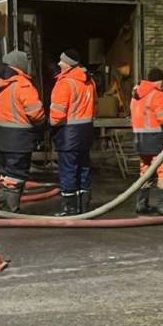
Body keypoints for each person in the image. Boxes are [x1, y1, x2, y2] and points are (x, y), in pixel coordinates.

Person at [0, 50, 46, 212]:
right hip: (20, 137)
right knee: (17, 173)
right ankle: (12, 209)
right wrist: (43, 124)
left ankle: (7, 204)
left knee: (8, 172)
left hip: (1, 134)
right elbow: (36, 113)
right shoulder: (22, 84)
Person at [50, 49, 97, 216]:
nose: (58, 64)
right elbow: (94, 106)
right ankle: (84, 207)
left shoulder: (64, 83)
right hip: (86, 132)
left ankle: (69, 208)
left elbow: (57, 115)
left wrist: (50, 125)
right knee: (83, 168)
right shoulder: (89, 82)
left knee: (68, 170)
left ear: (68, 64)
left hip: (68, 133)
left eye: (61, 61)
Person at [131, 68, 163, 216]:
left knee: (145, 171)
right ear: (159, 80)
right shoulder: (157, 94)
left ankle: (141, 204)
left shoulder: (136, 95)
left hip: (140, 139)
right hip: (156, 138)